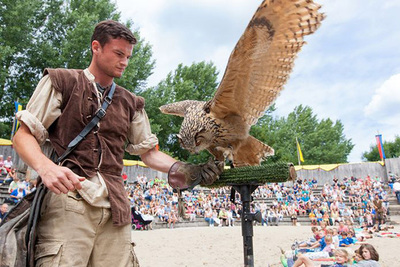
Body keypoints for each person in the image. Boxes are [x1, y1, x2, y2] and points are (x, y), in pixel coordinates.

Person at [12, 20, 224, 266]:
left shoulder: (130, 102)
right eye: (118, 53)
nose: (124, 61)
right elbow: (22, 135)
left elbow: (149, 154)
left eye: (128, 56)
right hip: (69, 199)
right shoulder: (62, 81)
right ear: (96, 47)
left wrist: (188, 169)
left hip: (116, 207)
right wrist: (46, 167)